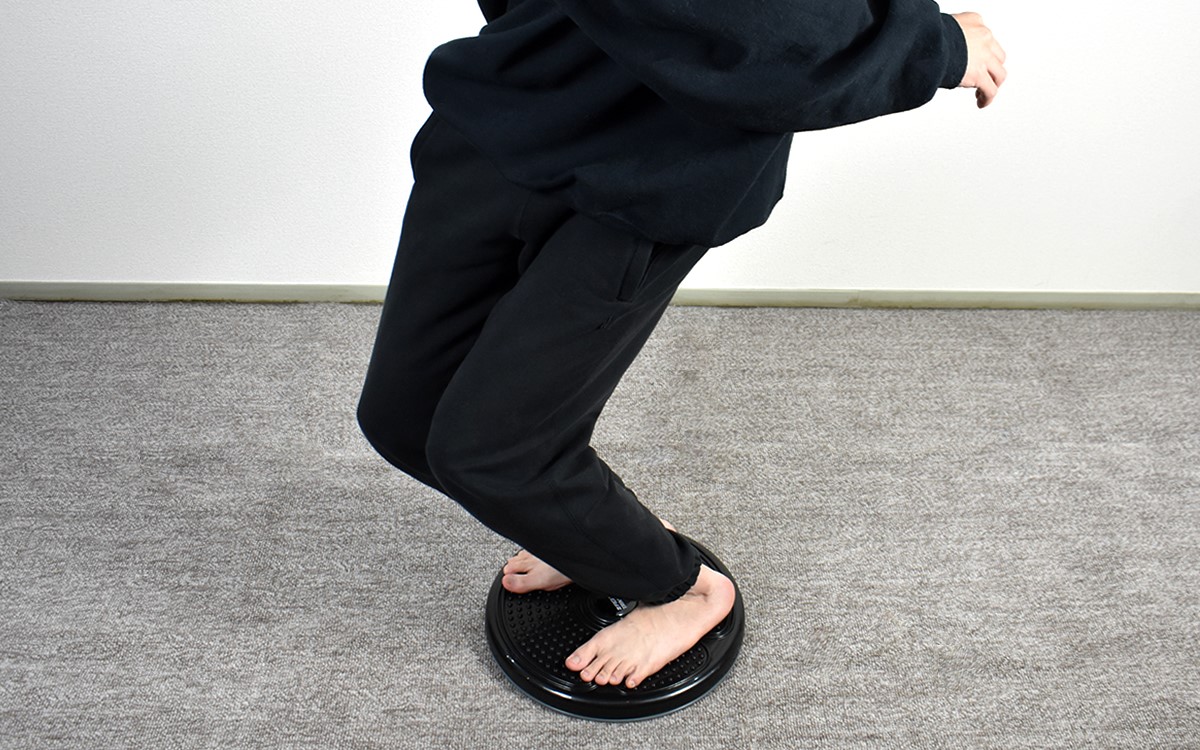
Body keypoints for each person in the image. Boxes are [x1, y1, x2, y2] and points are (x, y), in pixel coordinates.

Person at [358, 0, 1006, 692]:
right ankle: (594, 535)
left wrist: (929, 46)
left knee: (493, 454)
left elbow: (770, 33)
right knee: (402, 419)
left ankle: (685, 591)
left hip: (656, 173)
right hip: (510, 107)